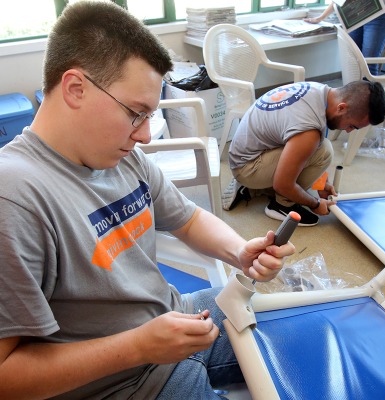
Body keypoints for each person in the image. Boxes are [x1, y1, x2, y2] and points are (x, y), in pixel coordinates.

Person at [0, 2, 296, 399]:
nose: (144, 136)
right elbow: (6, 377)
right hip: (128, 382)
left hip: (176, 318)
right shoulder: (15, 198)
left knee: (300, 333)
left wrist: (241, 251)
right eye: (135, 113)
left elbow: (187, 219)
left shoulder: (123, 157)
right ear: (75, 88)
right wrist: (138, 347)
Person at [222, 80, 385, 226]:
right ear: (342, 108)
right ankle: (281, 205)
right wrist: (315, 204)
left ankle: (253, 188)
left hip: (248, 150)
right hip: (247, 166)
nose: (349, 131)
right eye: (353, 126)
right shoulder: (309, 130)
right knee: (323, 152)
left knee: (319, 146)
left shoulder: (320, 92)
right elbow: (283, 184)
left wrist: (321, 183)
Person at [304, 0, 385, 75]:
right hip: (357, 9)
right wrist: (321, 17)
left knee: (368, 62)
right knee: (353, 61)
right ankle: (354, 96)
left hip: (382, 11)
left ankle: (369, 99)